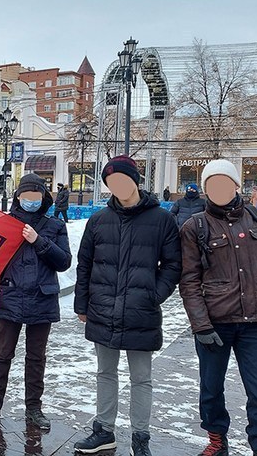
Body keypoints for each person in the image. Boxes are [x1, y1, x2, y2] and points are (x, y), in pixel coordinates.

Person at [73, 155, 182, 456]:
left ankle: (140, 437)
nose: (118, 186)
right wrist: (82, 304)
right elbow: (85, 264)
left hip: (141, 310)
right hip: (103, 309)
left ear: (135, 180)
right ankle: (104, 431)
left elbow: (173, 264)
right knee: (105, 373)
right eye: (111, 182)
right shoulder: (98, 220)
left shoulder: (162, 219)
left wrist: (153, 294)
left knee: (141, 377)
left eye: (122, 179)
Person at [178, 159, 257, 456]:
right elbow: (189, 280)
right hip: (215, 323)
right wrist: (200, 325)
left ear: (236, 185)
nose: (218, 189)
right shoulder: (195, 227)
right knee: (211, 388)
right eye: (212, 184)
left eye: (224, 182)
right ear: (205, 189)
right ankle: (217, 439)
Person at [0, 173, 71, 431]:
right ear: (18, 197)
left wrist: (39, 241)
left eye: (36, 196)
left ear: (44, 198)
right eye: (26, 196)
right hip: (10, 298)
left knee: (36, 358)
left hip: (42, 299)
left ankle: (34, 409)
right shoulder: (2, 225)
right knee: (2, 354)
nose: (31, 200)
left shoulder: (55, 226)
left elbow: (64, 262)